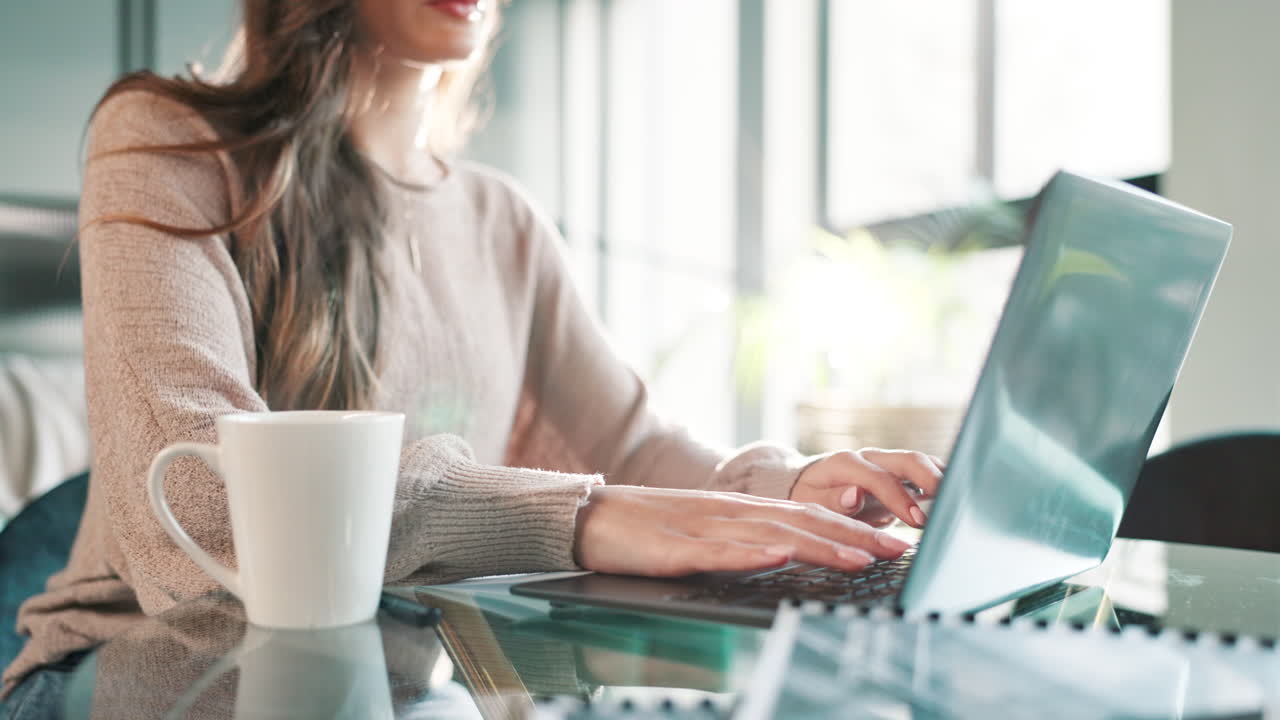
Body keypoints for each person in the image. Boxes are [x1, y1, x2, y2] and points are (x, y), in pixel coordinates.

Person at [0, 0, 942, 713]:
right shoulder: (169, 142)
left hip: (398, 684)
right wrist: (579, 519)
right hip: (128, 674)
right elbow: (196, 514)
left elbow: (635, 445)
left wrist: (784, 492)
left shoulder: (504, 223)